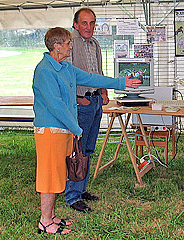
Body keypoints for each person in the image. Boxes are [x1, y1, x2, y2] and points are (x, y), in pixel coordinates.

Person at [33, 27, 140, 235]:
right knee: (49, 177)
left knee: (58, 174)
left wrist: (121, 82)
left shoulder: (64, 67)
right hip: (49, 131)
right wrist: (76, 127)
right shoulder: (44, 70)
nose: (71, 46)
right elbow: (55, 105)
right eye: (67, 43)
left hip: (62, 130)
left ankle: (52, 215)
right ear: (57, 46)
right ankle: (45, 222)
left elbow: (91, 78)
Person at [64, 7, 108, 213]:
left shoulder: (95, 44)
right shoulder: (69, 44)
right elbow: (66, 77)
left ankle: (81, 190)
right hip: (82, 103)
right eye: (84, 23)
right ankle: (72, 196)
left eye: (92, 23)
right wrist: (78, 99)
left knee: (88, 148)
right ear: (75, 24)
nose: (89, 27)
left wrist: (104, 93)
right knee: (77, 150)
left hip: (96, 100)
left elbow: (99, 72)